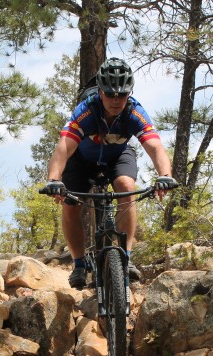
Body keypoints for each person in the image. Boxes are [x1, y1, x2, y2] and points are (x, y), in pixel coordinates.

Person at [43, 57, 177, 289]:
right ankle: (79, 265)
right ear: (100, 91)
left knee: (127, 188)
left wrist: (164, 175)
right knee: (69, 204)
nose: (116, 100)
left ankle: (126, 257)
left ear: (129, 93)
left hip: (117, 157)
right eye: (110, 94)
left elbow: (155, 146)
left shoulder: (135, 112)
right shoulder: (85, 111)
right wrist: (54, 180)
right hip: (82, 160)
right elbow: (63, 147)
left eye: (122, 94)